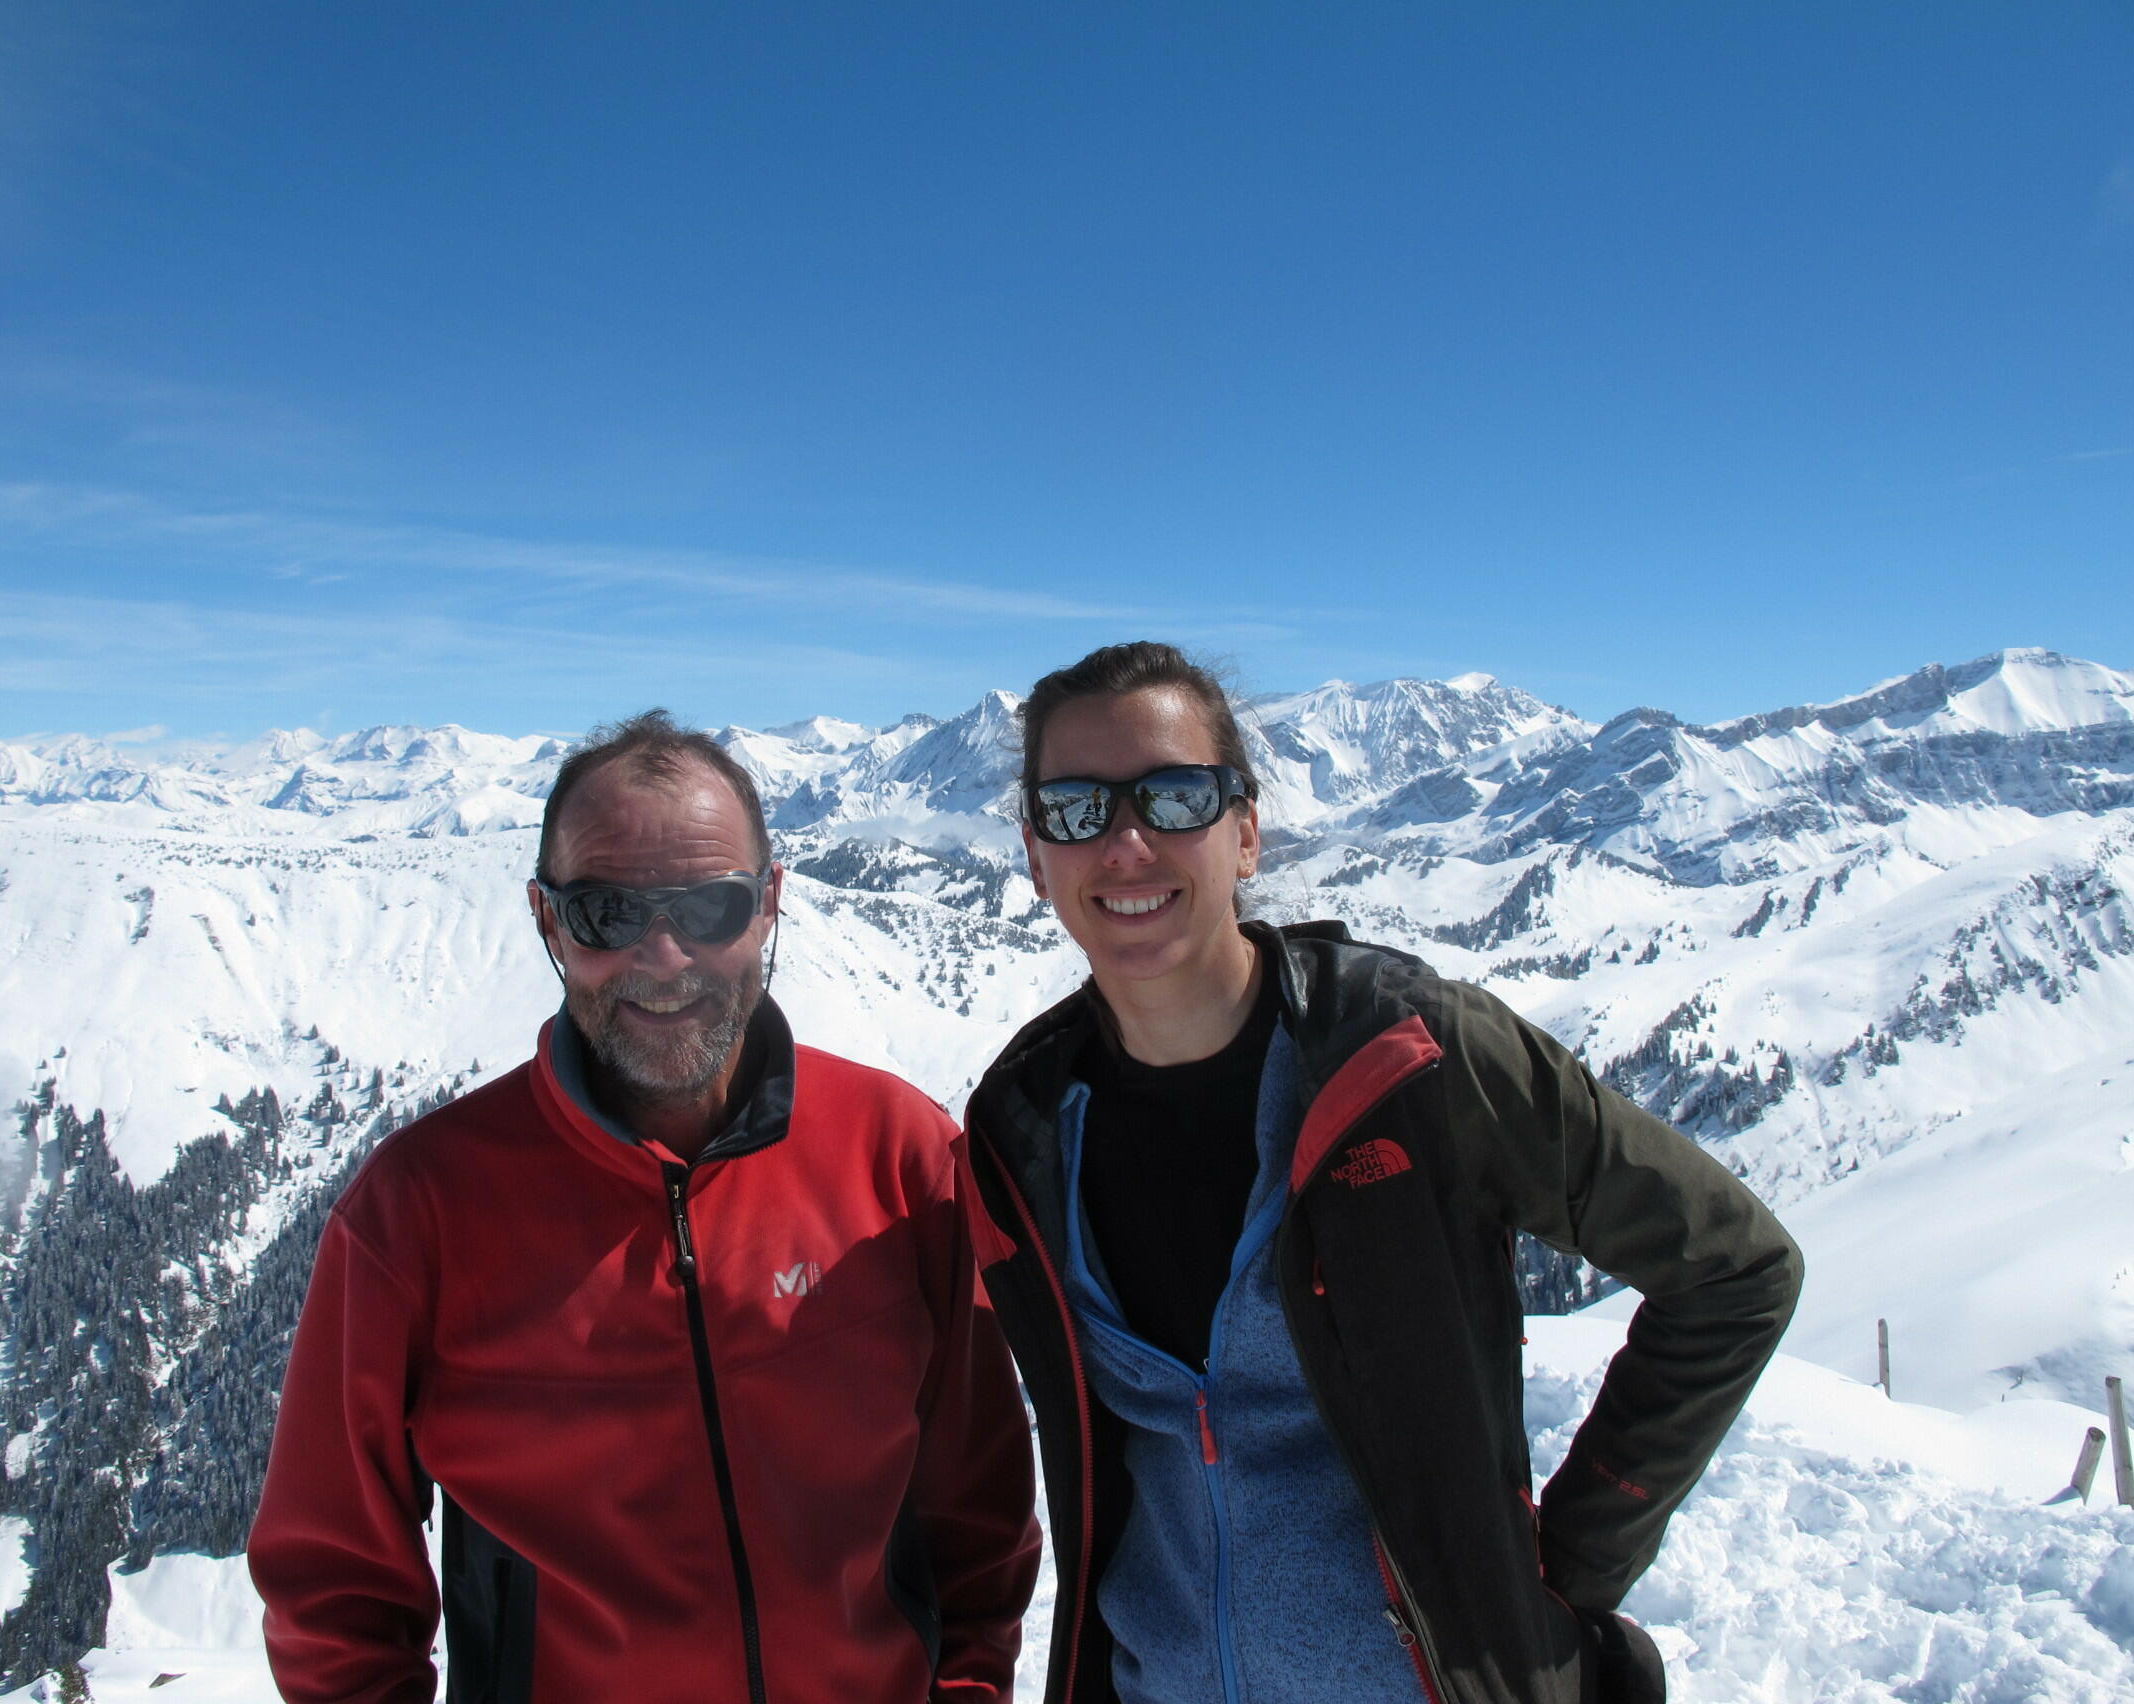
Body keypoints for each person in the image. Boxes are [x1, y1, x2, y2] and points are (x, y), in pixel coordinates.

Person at [964, 643, 1803, 1704]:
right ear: (1037, 855)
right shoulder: (1024, 1126)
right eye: (1076, 809)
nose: (1126, 843)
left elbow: (1735, 1270)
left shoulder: (1412, 1058)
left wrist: (1558, 1573)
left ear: (1246, 831)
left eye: (1175, 797)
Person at [249, 710, 1041, 1704]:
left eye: (710, 908)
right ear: (548, 921)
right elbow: (333, 1589)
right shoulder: (421, 1211)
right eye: (606, 914)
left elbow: (977, 1515)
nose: (663, 958)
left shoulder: (901, 1159)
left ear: (770, 904)